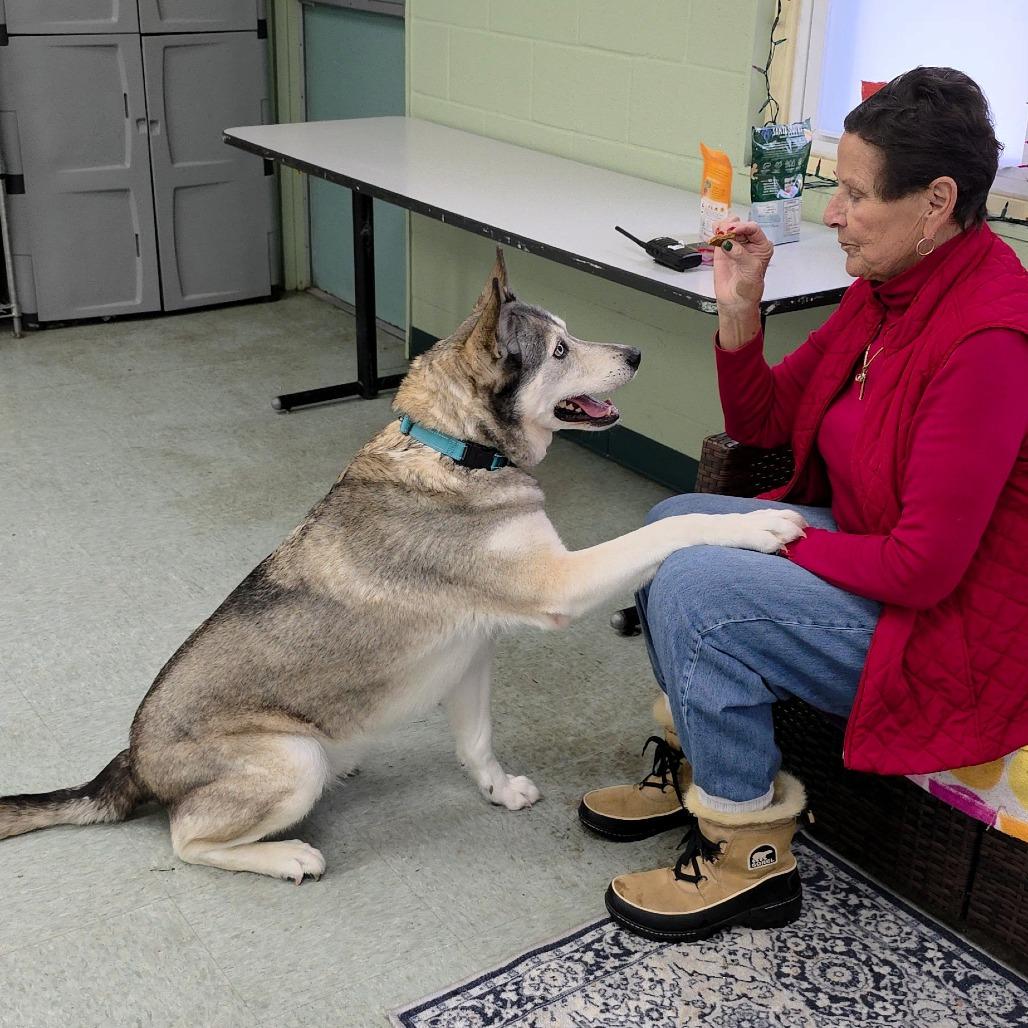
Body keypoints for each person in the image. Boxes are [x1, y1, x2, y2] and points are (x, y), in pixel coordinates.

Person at [579, 66, 1028, 942]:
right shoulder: (886, 291)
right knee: (672, 524)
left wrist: (768, 540)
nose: (832, 215)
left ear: (936, 201)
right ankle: (696, 765)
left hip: (952, 624)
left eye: (854, 196)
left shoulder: (989, 337)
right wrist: (739, 309)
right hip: (871, 552)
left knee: (699, 589)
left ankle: (751, 857)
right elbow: (765, 425)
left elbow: (925, 567)